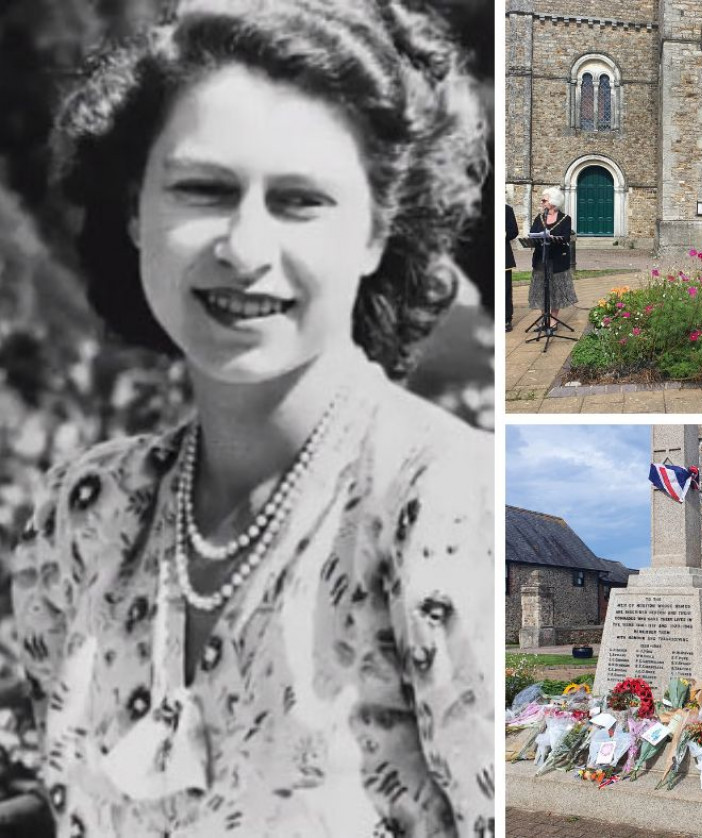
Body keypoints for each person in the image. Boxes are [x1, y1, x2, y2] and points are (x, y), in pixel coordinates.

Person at [10, 5, 494, 837]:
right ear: (135, 210)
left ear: (378, 230)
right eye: (203, 189)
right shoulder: (83, 511)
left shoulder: (446, 508)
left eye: (300, 201)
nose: (244, 246)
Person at [528, 187, 576, 330]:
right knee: (540, 289)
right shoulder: (539, 218)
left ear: (553, 201)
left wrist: (553, 237)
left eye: (544, 200)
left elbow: (566, 237)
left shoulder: (566, 219)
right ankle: (544, 319)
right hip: (541, 259)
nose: (542, 202)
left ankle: (553, 321)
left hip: (557, 259)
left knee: (556, 290)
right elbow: (532, 234)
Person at [505, 187, 518, 332]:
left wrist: (503, 234)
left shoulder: (507, 210)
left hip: (503, 257)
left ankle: (506, 319)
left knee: (505, 289)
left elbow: (514, 231)